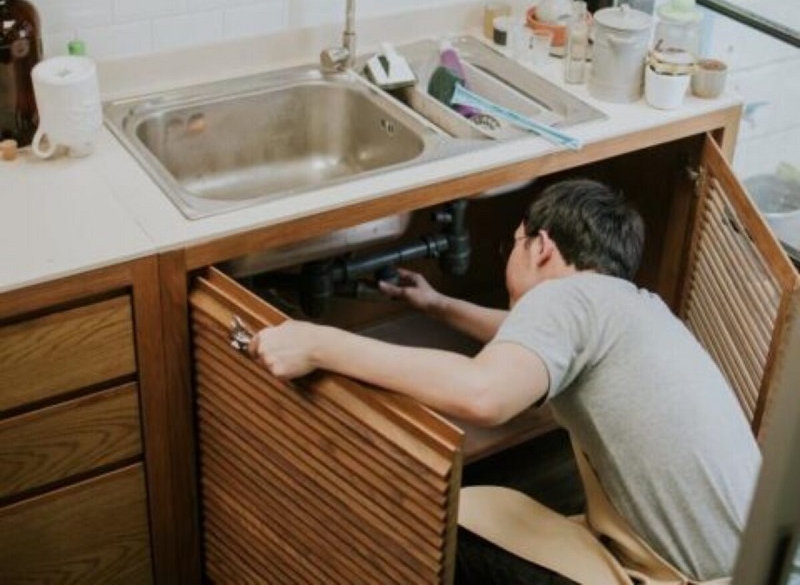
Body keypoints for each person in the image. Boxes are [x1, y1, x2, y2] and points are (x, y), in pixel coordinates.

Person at [249, 178, 761, 583]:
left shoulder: (568, 300)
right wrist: (440, 306)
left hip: (682, 579)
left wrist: (319, 343)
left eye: (512, 246)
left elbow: (485, 394)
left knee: (436, 523)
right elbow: (537, 346)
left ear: (540, 247)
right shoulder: (634, 307)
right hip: (756, 567)